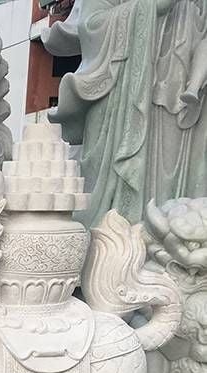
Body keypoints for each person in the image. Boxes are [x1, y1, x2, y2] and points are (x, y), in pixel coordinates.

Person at [50, 0, 207, 228]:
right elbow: (92, 24)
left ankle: (174, 231)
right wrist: (150, 7)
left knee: (176, 203)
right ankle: (119, 236)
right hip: (123, 94)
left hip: (179, 96)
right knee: (114, 215)